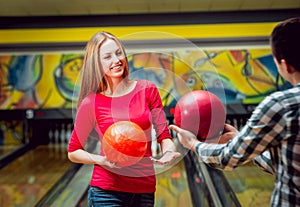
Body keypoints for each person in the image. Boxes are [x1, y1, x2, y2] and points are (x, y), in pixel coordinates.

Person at [170, 17, 300, 207]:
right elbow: (287, 167)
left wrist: (193, 144)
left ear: (285, 65)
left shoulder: (280, 105)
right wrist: (242, 139)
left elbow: (227, 159)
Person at [68, 31, 180, 207]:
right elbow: (73, 152)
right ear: (96, 64)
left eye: (118, 52)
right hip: (107, 191)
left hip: (144, 188)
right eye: (107, 56)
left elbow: (164, 136)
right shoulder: (91, 102)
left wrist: (168, 151)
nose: (116, 59)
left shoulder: (148, 90)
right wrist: (101, 160)